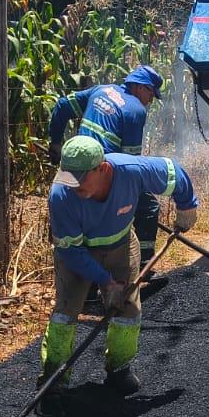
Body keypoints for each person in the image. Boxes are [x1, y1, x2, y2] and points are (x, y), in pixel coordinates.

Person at [39, 135, 200, 417]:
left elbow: (173, 173)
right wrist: (105, 282)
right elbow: (71, 252)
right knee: (65, 313)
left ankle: (119, 369)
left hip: (121, 245)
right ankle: (52, 384)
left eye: (80, 179)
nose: (73, 186)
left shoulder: (130, 171)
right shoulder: (61, 195)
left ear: (102, 168)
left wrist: (187, 205)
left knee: (128, 311)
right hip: (78, 252)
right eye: (69, 178)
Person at [48, 65, 165, 270]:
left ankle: (82, 274)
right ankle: (145, 267)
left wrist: (56, 143)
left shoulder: (100, 90)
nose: (150, 101)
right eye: (151, 94)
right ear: (140, 87)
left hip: (75, 165)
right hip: (102, 170)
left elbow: (62, 105)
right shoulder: (135, 110)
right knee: (149, 207)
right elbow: (131, 163)